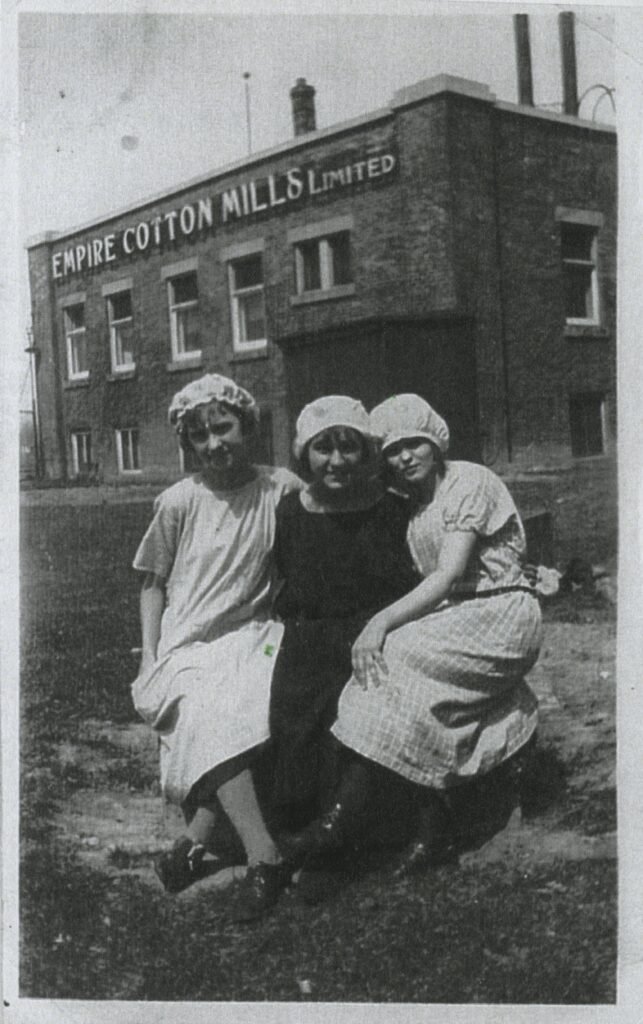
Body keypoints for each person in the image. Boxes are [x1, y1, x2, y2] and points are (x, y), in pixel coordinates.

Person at [290, 394, 542, 874]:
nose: (405, 457)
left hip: (502, 613)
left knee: (395, 652)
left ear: (436, 443)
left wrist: (378, 623)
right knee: (400, 687)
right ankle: (422, 830)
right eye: (392, 450)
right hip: (459, 620)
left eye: (415, 445)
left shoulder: (469, 481)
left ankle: (342, 821)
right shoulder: (415, 507)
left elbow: (447, 577)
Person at [131, 373, 300, 919]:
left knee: (238, 703)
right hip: (187, 641)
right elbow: (152, 586)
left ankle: (198, 844)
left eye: (223, 429)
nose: (213, 445)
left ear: (246, 426)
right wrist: (151, 658)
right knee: (204, 702)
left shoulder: (279, 489)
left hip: (254, 631)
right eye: (199, 437)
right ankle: (264, 855)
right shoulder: (180, 501)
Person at [268, 396, 420, 841]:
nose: (336, 461)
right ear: (304, 454)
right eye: (323, 449)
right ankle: (298, 825)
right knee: (295, 711)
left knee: (353, 710)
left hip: (374, 636)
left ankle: (343, 834)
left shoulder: (390, 508)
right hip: (309, 633)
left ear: (366, 452)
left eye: (348, 448)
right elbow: (288, 578)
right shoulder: (293, 511)